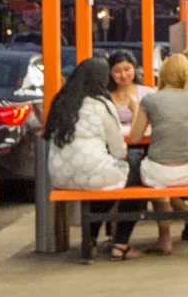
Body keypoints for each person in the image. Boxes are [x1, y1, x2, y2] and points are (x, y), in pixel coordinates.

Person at [120, 50, 188, 255]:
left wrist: (135, 108)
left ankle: (164, 239)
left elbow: (137, 137)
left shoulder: (150, 100)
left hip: (157, 172)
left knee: (155, 179)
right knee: (170, 176)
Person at [43, 56, 129, 252]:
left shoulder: (61, 102)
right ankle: (109, 239)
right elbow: (118, 150)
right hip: (91, 174)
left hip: (59, 176)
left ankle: (90, 240)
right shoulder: (101, 105)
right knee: (128, 172)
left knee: (99, 174)